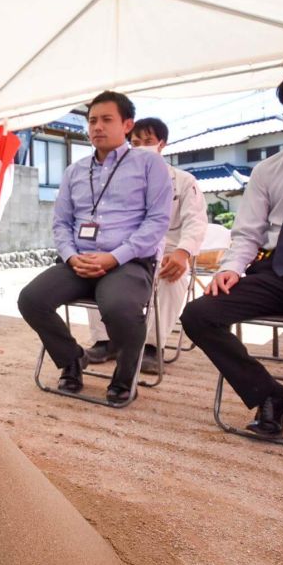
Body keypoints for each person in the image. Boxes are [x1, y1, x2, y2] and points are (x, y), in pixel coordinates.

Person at [18, 90, 173, 403]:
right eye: (92, 121)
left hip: (129, 262)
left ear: (127, 124)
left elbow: (157, 222)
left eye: (106, 120)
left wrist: (114, 258)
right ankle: (72, 360)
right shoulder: (75, 170)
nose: (97, 127)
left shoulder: (149, 164)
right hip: (80, 261)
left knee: (118, 307)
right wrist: (71, 257)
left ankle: (124, 377)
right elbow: (60, 223)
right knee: (31, 299)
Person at [181, 72, 283, 438]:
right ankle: (271, 396)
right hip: (278, 271)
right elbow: (248, 233)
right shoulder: (268, 170)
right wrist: (231, 268)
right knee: (199, 314)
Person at [86, 116, 207, 373]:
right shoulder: (117, 180)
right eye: (135, 142)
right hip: (126, 250)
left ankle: (153, 346)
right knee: (96, 266)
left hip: (170, 252)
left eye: (148, 141)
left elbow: (195, 222)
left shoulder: (184, 181)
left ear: (162, 144)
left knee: (172, 276)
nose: (141, 146)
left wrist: (182, 254)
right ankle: (104, 341)